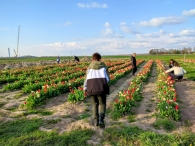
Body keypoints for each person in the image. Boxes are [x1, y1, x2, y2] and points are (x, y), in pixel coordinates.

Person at [84, 52, 110, 128]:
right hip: (101, 88)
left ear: (92, 59)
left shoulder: (89, 68)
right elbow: (107, 79)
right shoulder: (103, 67)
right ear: (100, 59)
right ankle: (101, 119)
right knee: (102, 103)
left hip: (91, 88)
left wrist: (85, 89)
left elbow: (85, 80)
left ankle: (96, 120)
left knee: (95, 104)